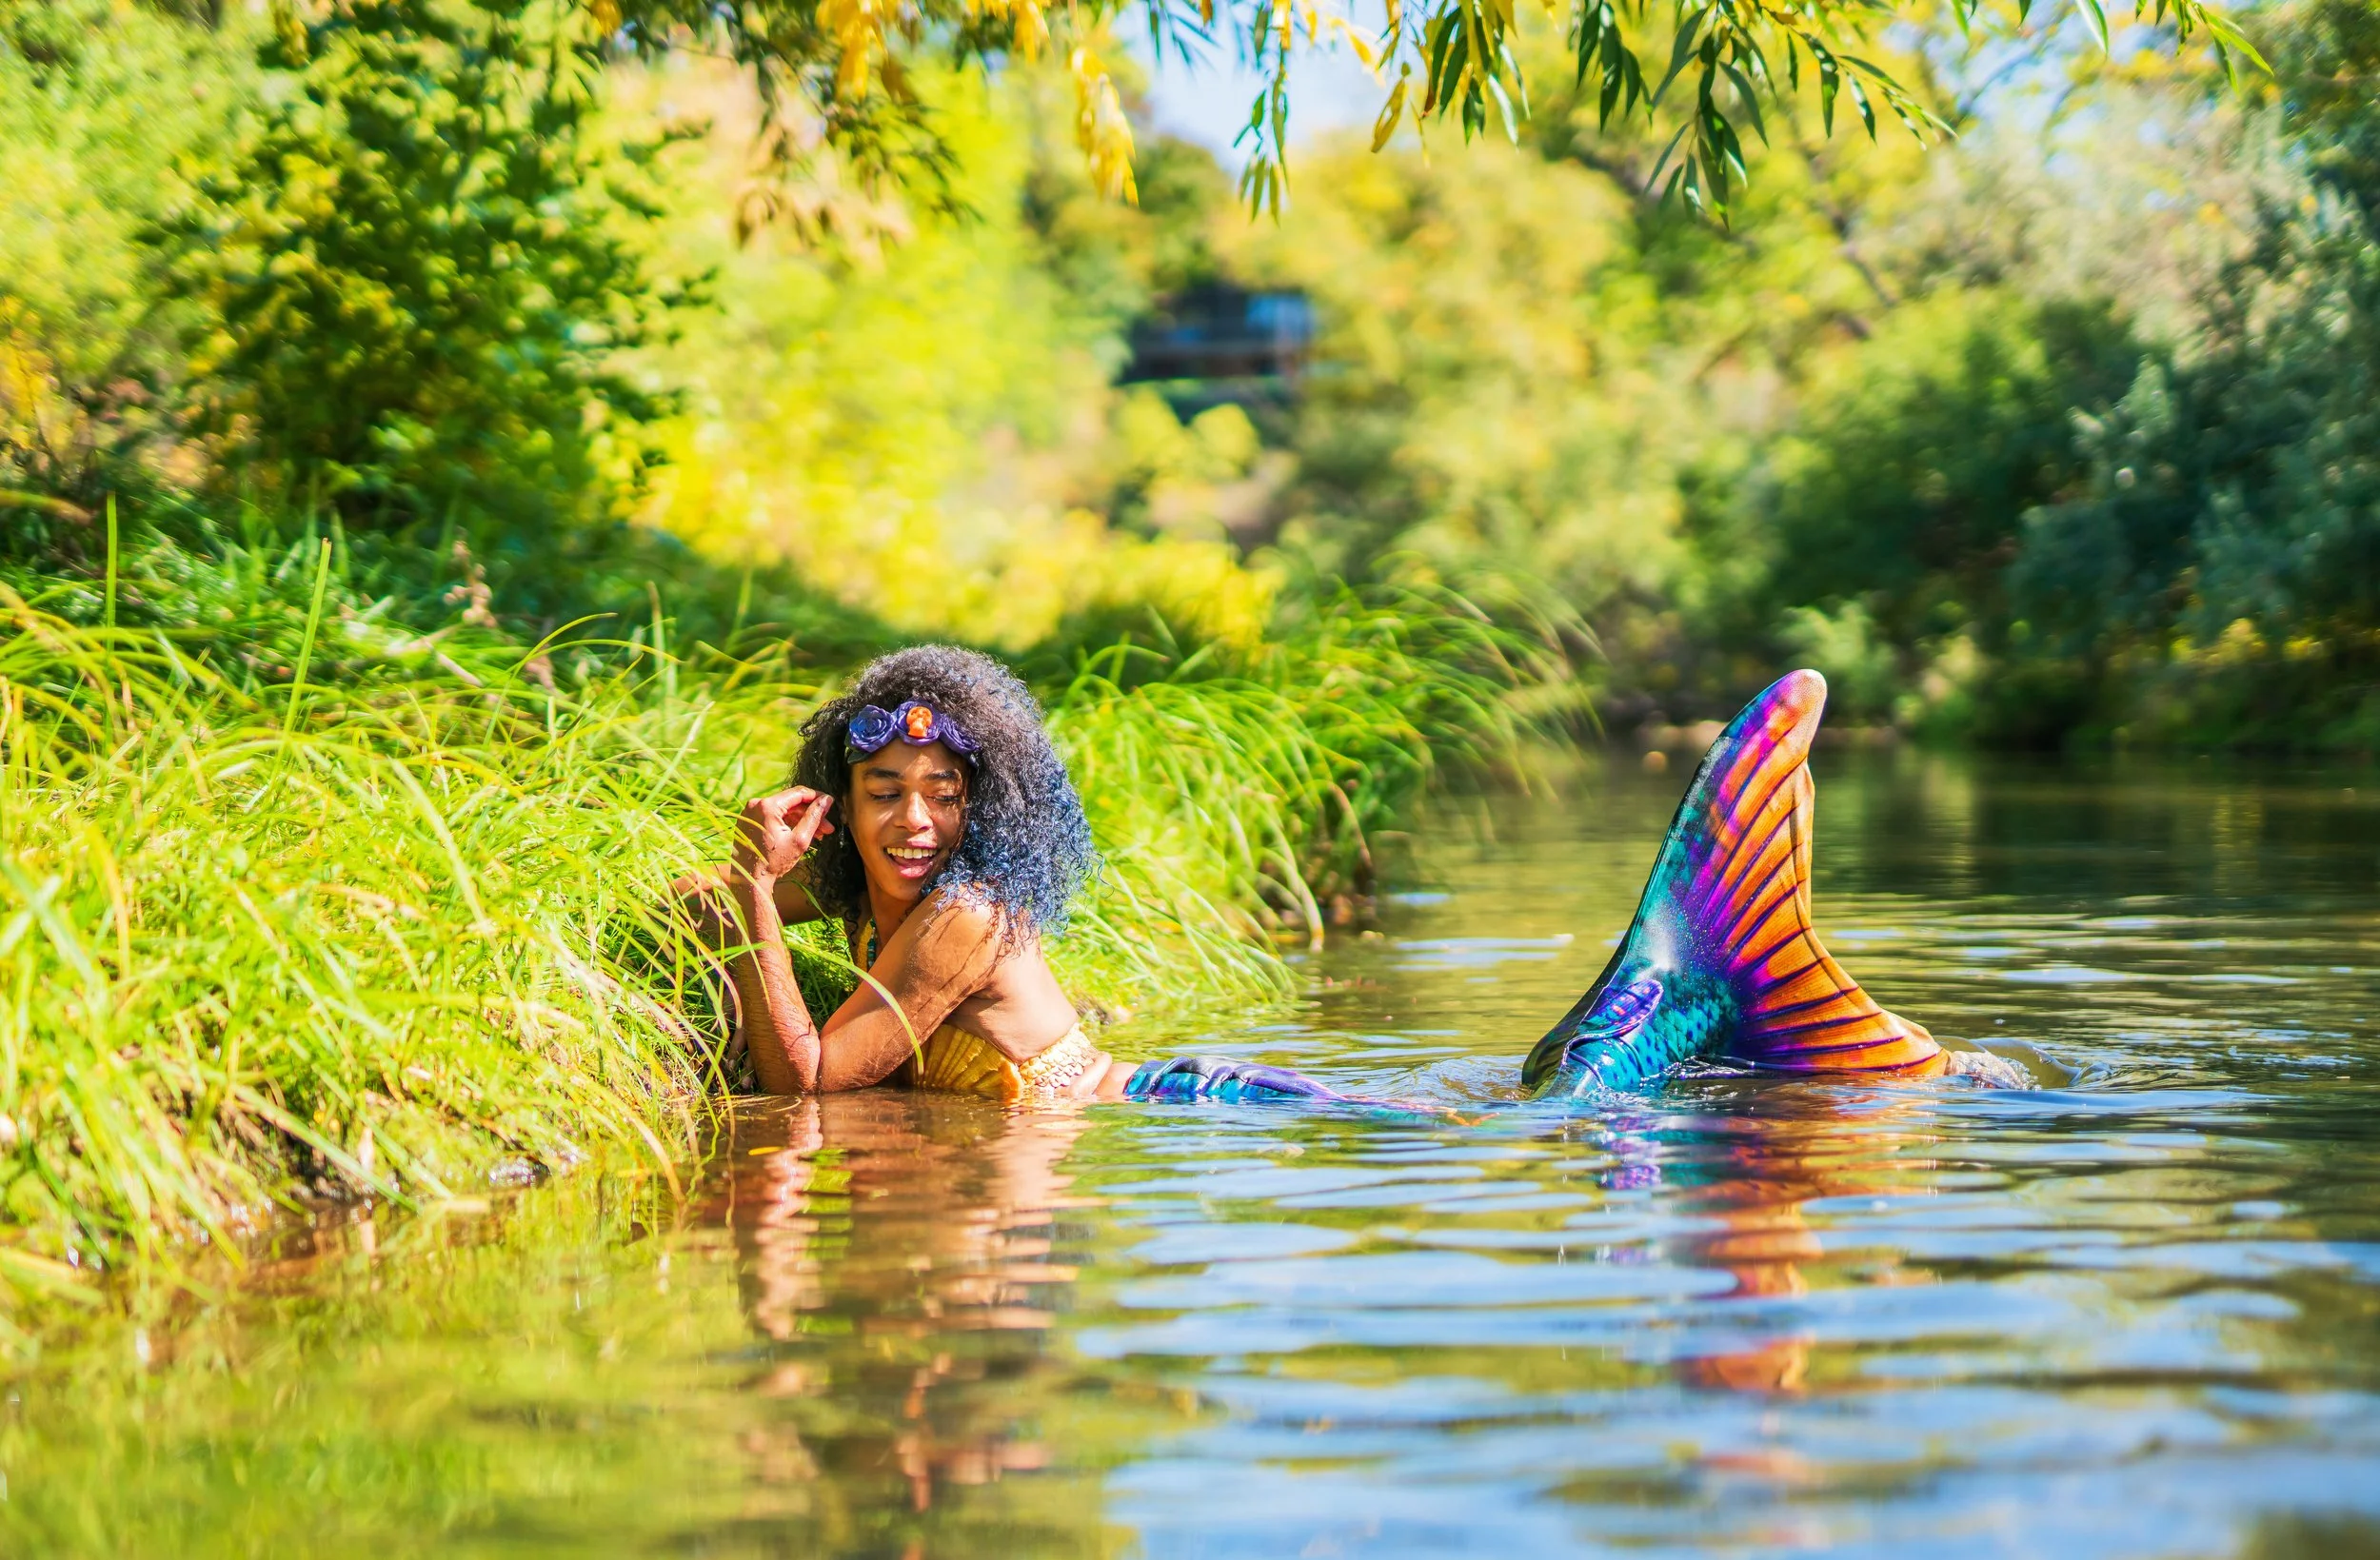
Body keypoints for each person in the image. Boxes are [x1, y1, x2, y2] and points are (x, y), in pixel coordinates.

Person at [676, 646, 1338, 1104]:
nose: (914, 821)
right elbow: (685, 906)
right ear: (841, 806)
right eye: (884, 793)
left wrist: (754, 888)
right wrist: (749, 874)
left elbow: (810, 1081)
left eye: (943, 794)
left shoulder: (966, 914)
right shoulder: (853, 875)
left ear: (978, 806)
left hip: (1198, 1108)